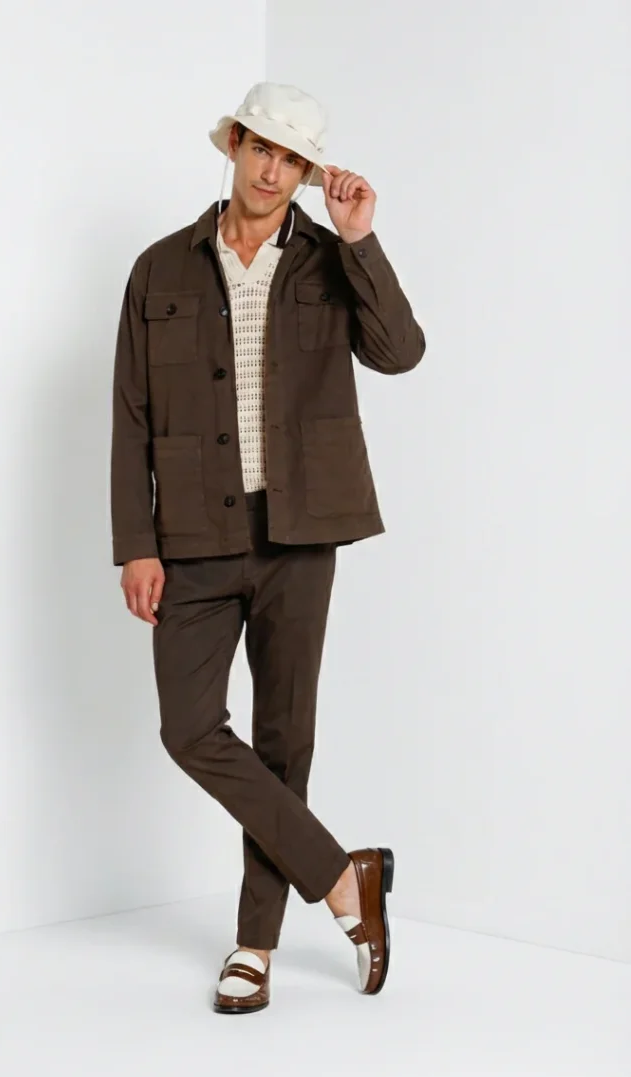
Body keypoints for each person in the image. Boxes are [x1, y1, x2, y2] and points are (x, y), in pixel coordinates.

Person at [109, 81, 425, 1014]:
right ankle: (341, 878)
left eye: (292, 159)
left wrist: (360, 240)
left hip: (301, 532)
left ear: (306, 172)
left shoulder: (330, 260)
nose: (271, 170)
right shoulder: (159, 268)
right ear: (235, 146)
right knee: (188, 729)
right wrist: (135, 543)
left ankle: (254, 945)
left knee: (286, 741)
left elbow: (399, 351)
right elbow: (130, 416)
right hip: (192, 537)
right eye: (261, 149)